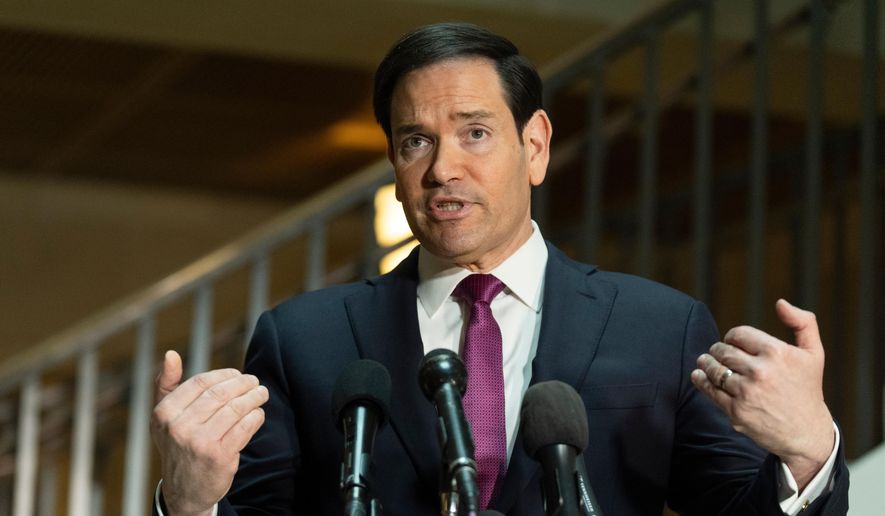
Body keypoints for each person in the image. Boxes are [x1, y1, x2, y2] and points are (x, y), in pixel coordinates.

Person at [150, 23, 848, 515]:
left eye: (474, 133)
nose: (442, 168)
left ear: (535, 146)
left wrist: (807, 449)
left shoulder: (658, 327)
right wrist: (187, 501)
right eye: (414, 141)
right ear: (394, 167)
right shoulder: (304, 338)